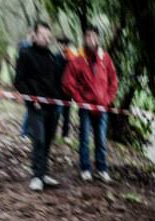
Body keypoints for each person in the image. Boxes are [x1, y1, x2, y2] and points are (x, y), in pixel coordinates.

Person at [62, 25, 118, 182]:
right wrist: (79, 99)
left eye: (93, 36)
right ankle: (85, 168)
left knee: (101, 139)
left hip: (102, 107)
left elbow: (113, 81)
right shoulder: (78, 60)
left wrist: (107, 100)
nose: (90, 39)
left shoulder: (105, 58)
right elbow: (68, 82)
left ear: (98, 38)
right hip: (85, 107)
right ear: (84, 39)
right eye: (88, 36)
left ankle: (102, 169)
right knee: (84, 138)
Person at [14, 22, 63, 192]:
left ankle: (43, 173)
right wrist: (31, 98)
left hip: (53, 106)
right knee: (39, 140)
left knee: (48, 141)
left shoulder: (51, 56)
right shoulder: (25, 54)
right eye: (42, 35)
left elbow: (56, 81)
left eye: (48, 36)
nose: (46, 38)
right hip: (35, 105)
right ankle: (36, 176)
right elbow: (19, 81)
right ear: (34, 35)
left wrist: (58, 99)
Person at [56, 36, 76, 139]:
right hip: (57, 90)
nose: (63, 46)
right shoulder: (55, 56)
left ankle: (65, 134)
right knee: (56, 111)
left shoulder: (72, 58)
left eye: (66, 44)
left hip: (68, 91)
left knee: (67, 113)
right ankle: (52, 132)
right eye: (61, 43)